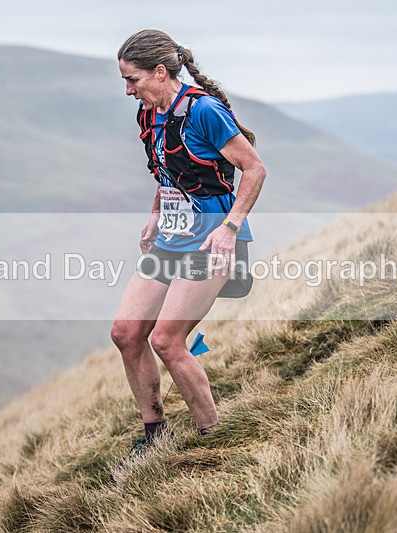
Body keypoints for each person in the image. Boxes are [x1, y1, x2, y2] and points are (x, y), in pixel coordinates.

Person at [111, 29, 266, 453]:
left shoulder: (204, 111)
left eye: (133, 80)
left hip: (211, 241)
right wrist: (155, 216)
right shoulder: (149, 115)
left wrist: (230, 229)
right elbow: (167, 173)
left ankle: (212, 437)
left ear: (160, 72)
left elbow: (253, 170)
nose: (128, 90)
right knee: (126, 333)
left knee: (166, 340)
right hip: (172, 239)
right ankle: (154, 435)